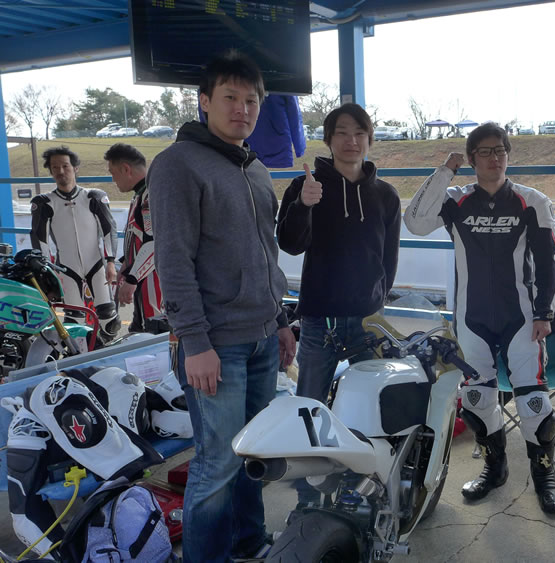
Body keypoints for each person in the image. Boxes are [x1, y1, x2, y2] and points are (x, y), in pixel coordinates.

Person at [147, 50, 295, 563]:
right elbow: (173, 260)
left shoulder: (256, 169)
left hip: (262, 337)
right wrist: (195, 342)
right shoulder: (177, 165)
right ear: (205, 101)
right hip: (215, 345)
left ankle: (248, 543)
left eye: (251, 100)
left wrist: (280, 321)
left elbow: (266, 253)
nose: (242, 109)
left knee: (253, 453)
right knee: (217, 464)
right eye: (230, 97)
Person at [405, 122, 555, 514]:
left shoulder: (532, 200)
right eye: (485, 152)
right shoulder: (456, 200)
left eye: (500, 151)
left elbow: (548, 263)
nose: (494, 158)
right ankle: (495, 469)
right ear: (471, 158)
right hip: (471, 318)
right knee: (477, 401)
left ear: (508, 155)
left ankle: (544, 477)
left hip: (521, 318)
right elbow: (415, 221)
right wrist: (445, 171)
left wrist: (544, 313)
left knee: (534, 405)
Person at [276, 102, 401, 510]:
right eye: (342, 133)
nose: (351, 141)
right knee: (309, 409)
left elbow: (389, 258)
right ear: (328, 139)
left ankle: (364, 492)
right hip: (319, 322)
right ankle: (307, 500)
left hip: (367, 323)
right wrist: (303, 205)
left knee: (372, 409)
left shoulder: (385, 195)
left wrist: (378, 299)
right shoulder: (306, 185)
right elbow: (290, 244)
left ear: (369, 139)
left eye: (359, 133)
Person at [30, 146, 121, 343]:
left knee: (109, 319)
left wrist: (111, 262)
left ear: (75, 168)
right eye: (55, 167)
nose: (61, 171)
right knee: (74, 321)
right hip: (66, 268)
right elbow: (40, 240)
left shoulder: (93, 197)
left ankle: (108, 351)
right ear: (51, 171)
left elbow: (108, 230)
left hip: (96, 264)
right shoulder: (45, 202)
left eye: (65, 166)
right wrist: (46, 272)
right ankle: (81, 356)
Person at [103, 143, 167, 334]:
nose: (113, 180)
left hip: (153, 283)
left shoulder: (151, 195)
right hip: (143, 280)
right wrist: (125, 266)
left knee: (154, 333)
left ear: (126, 169)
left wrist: (132, 279)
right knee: (141, 330)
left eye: (113, 173)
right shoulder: (141, 194)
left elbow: (154, 242)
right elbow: (139, 237)